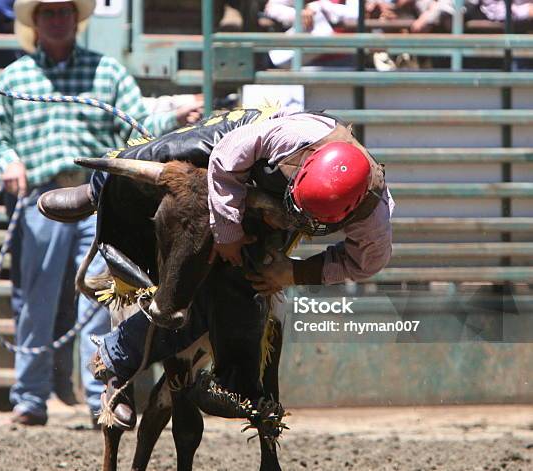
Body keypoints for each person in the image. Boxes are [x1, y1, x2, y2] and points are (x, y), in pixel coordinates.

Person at [40, 108, 394, 428]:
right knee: (168, 153)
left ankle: (232, 383)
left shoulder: (373, 216)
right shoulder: (290, 137)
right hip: (240, 147)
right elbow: (226, 157)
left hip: (276, 215)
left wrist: (293, 272)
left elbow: (366, 263)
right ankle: (98, 190)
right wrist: (227, 231)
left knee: (243, 283)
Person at [0, 0, 202, 427]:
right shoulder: (15, 77)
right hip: (43, 198)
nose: (58, 19)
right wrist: (8, 161)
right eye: (50, 13)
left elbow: (135, 121)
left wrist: (173, 110)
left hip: (99, 200)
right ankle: (30, 397)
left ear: (75, 20)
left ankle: (101, 395)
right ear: (37, 22)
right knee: (38, 300)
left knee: (101, 299)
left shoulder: (107, 72)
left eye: (65, 11)